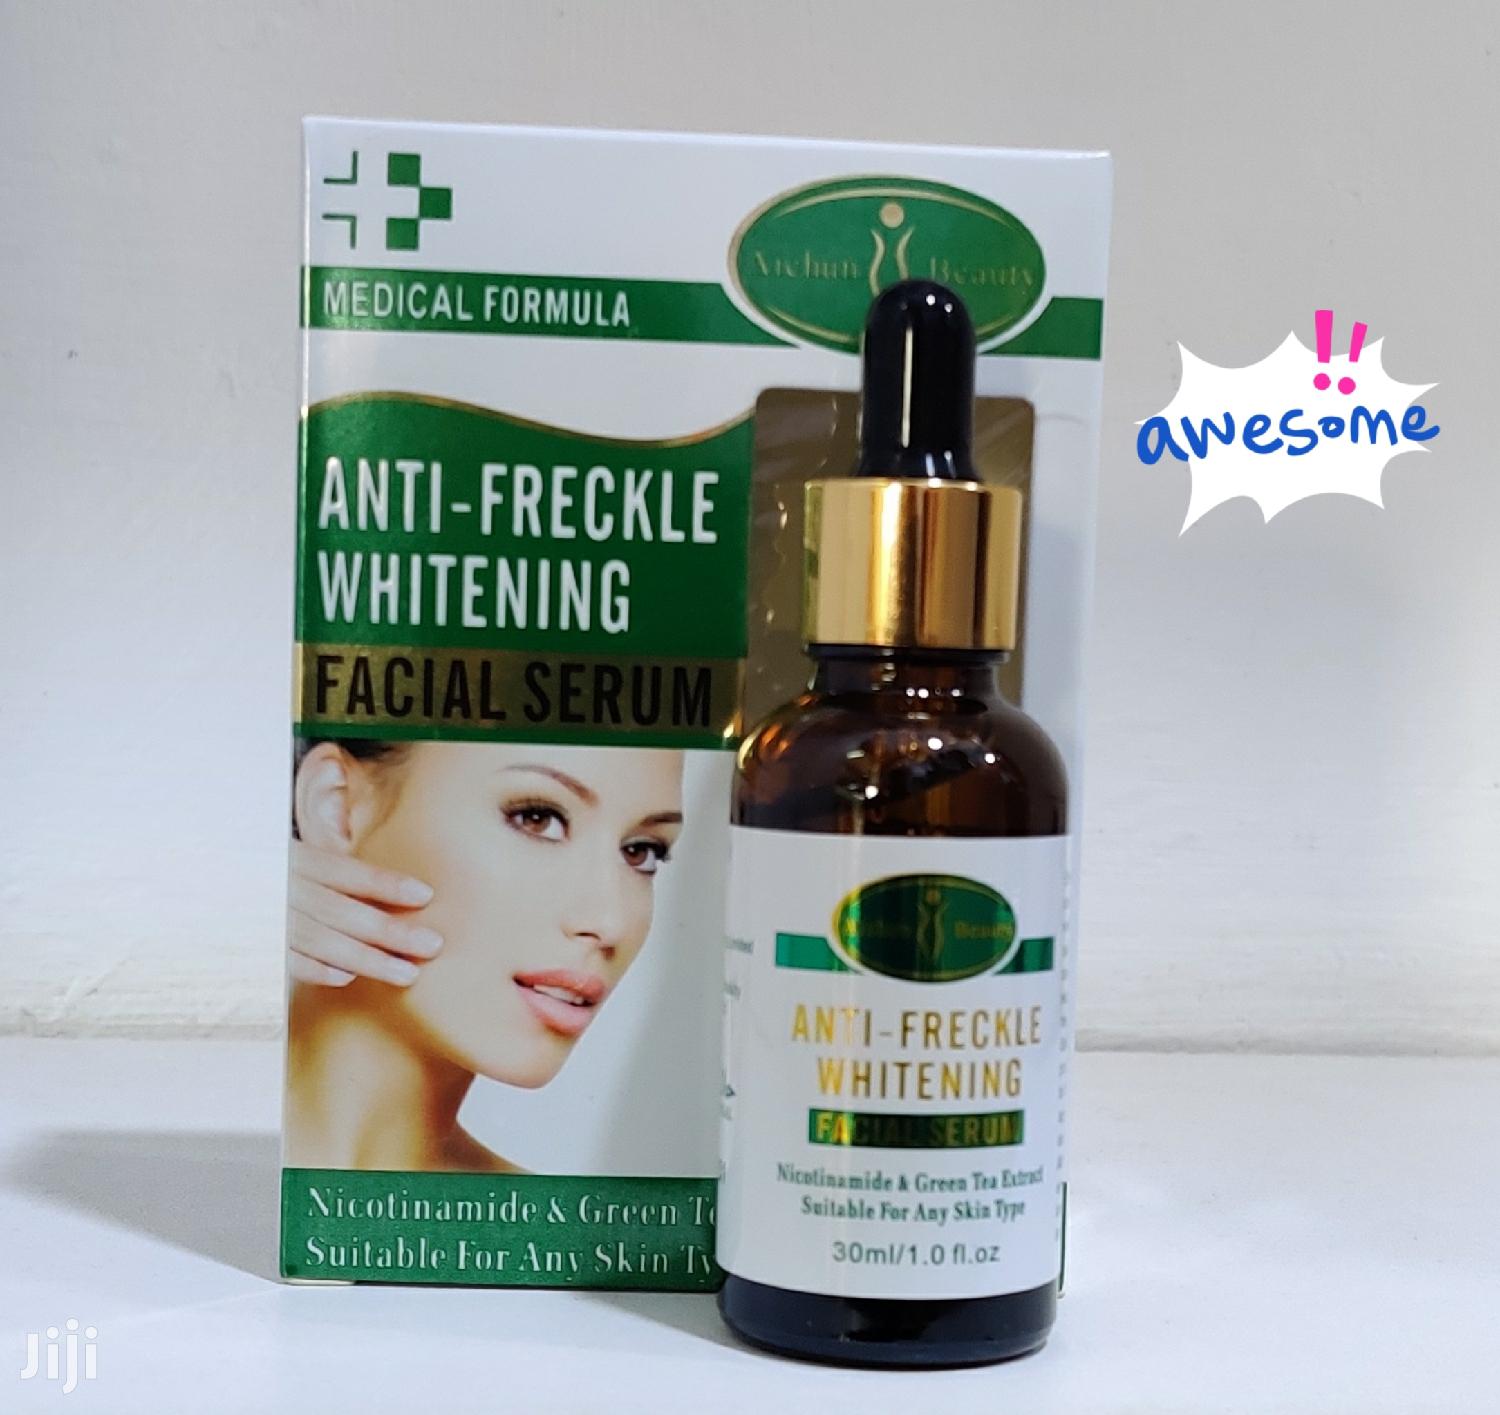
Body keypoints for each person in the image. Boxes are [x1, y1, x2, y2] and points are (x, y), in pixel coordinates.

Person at [284, 738, 683, 1173]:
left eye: (641, 852)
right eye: (537, 818)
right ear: (337, 810)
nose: (610, 921)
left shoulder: (558, 1216)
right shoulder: (232, 1155)